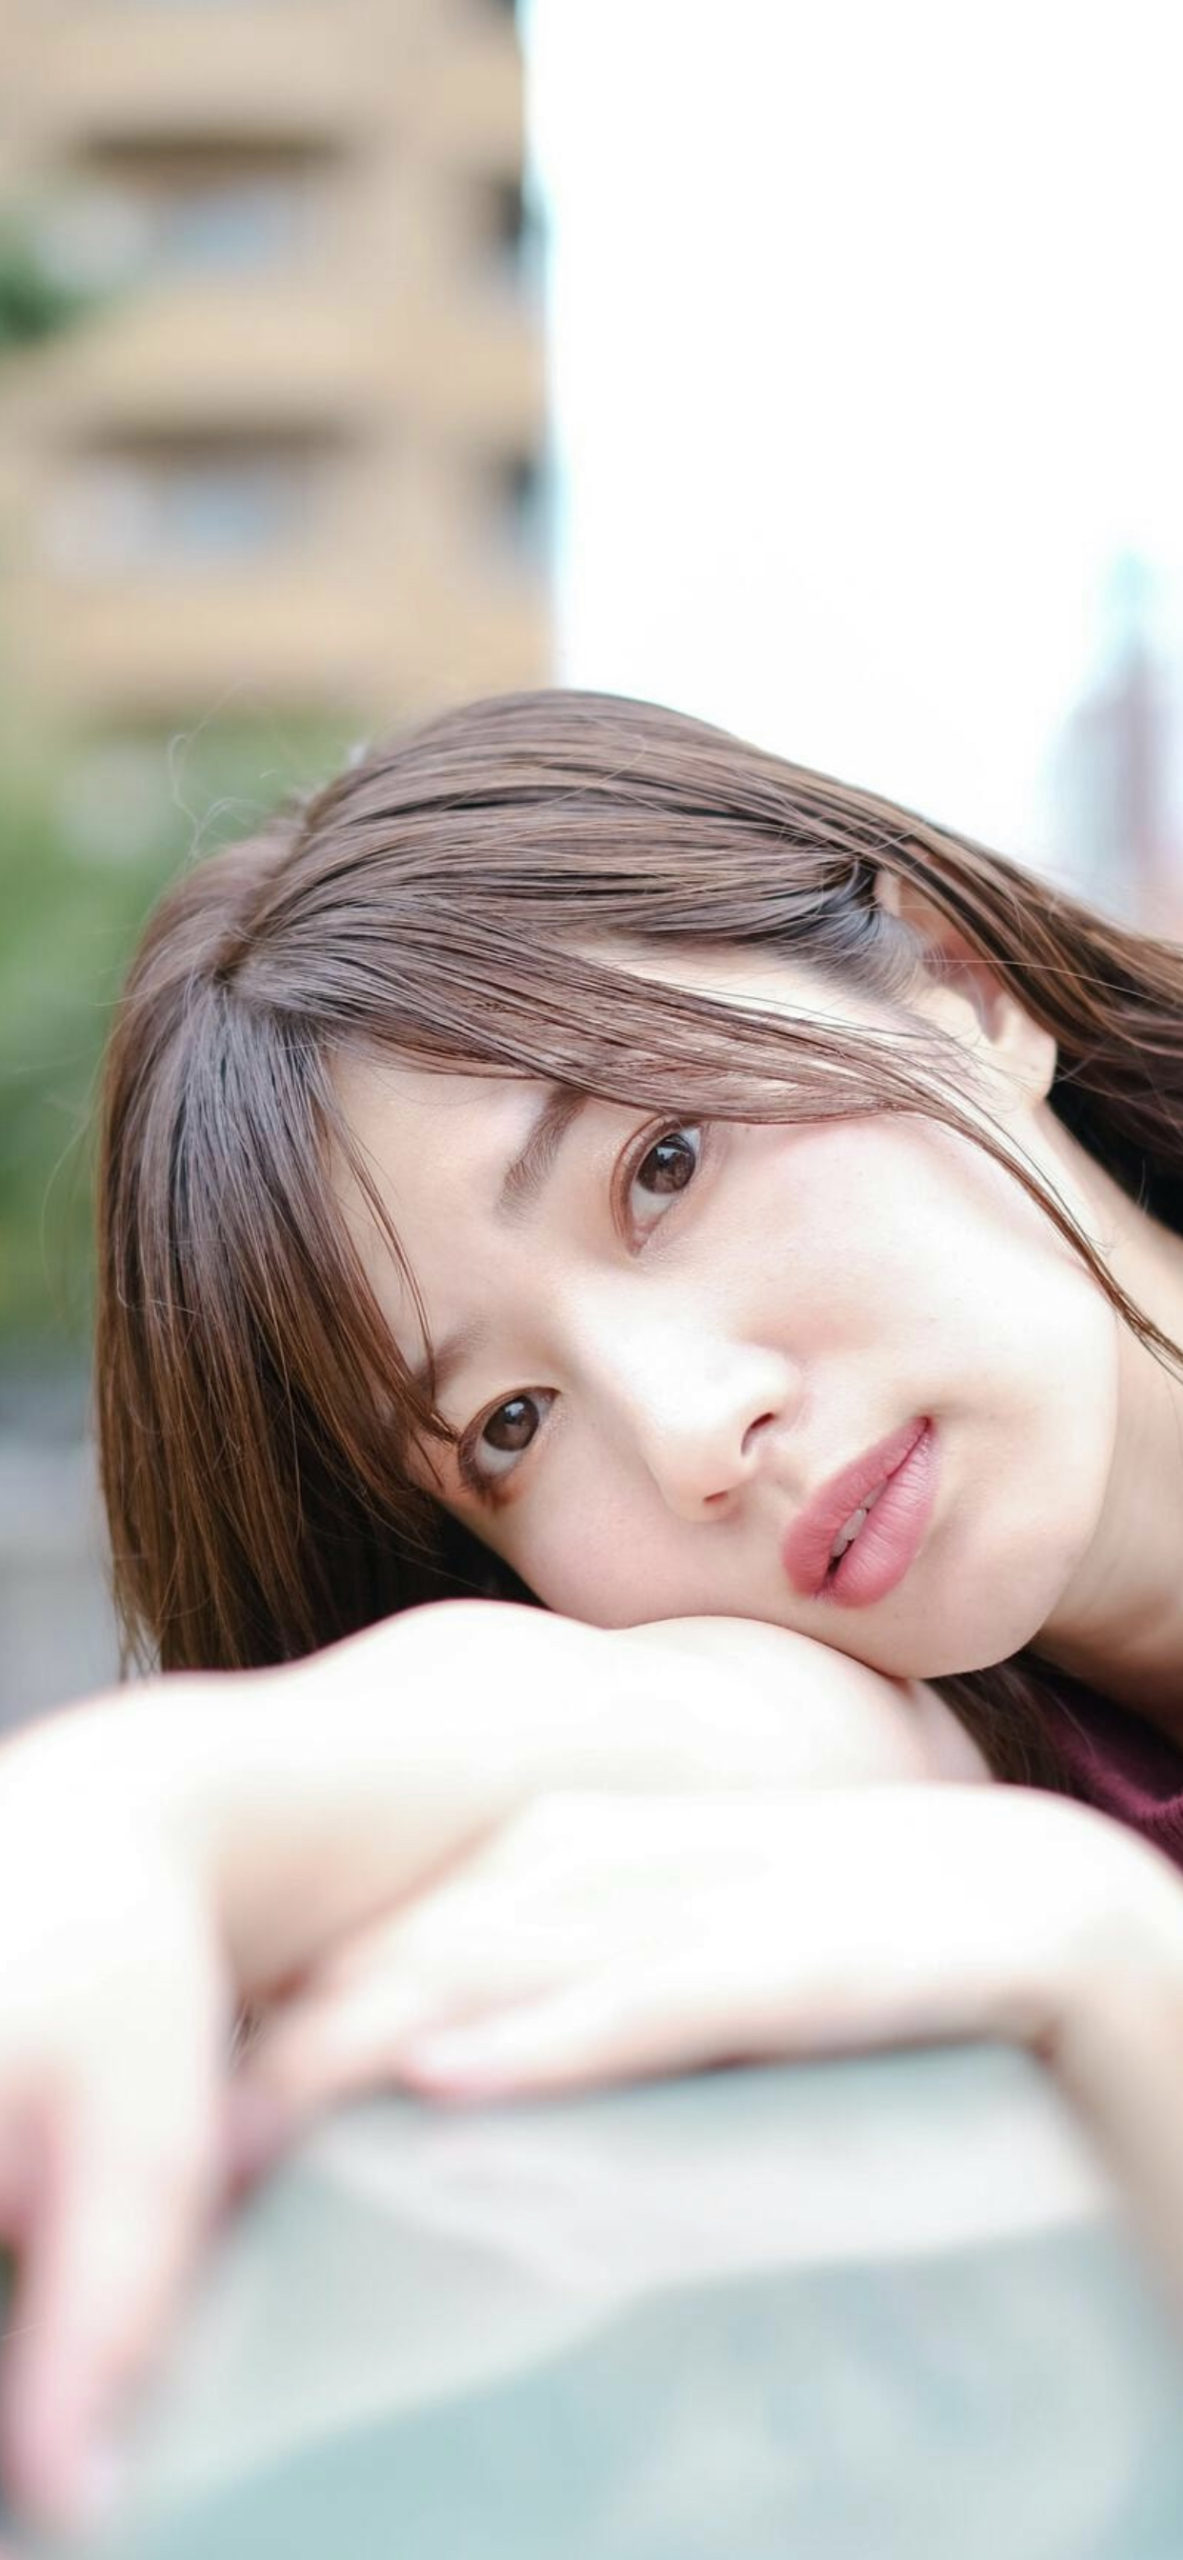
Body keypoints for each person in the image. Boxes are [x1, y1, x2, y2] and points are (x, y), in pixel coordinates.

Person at [6, 686, 1183, 2538]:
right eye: (510, 1426)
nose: (693, 1429)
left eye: (663, 1165)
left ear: (960, 983)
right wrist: (131, 1816)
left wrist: (1129, 1983)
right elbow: (579, 1730)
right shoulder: (889, 1702)